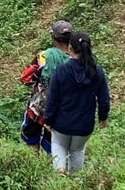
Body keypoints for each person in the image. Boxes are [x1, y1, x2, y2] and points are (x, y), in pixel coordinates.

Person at [44, 32, 110, 174]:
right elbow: (104, 99)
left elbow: (52, 99)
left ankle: (60, 170)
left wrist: (48, 119)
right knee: (77, 150)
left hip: (61, 123)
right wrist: (103, 117)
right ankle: (74, 179)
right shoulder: (97, 72)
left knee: (58, 144)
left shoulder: (61, 71)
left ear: (70, 49)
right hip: (84, 125)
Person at [19, 20, 74, 153]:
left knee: (31, 137)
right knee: (53, 144)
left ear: (53, 38)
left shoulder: (43, 57)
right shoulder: (76, 61)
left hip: (38, 110)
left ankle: (35, 162)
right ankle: (51, 168)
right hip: (60, 114)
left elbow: (26, 78)